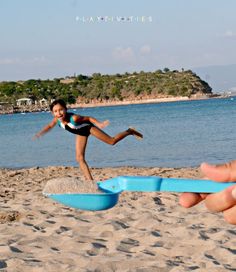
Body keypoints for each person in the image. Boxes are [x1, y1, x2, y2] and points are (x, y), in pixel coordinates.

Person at [33, 99, 143, 181]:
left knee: (112, 141)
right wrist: (40, 134)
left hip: (89, 128)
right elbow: (49, 126)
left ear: (65, 109)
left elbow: (89, 118)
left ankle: (129, 131)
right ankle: (89, 181)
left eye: (61, 110)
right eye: (56, 111)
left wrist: (99, 124)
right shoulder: (56, 120)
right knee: (79, 158)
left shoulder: (74, 118)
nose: (59, 113)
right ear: (53, 113)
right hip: (80, 133)